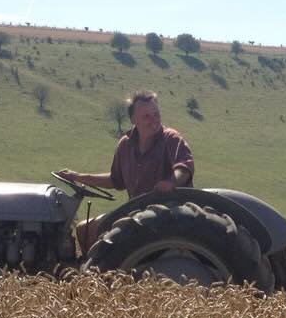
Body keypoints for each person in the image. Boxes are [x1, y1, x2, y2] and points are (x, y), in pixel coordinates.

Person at [58, 90, 194, 252]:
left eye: (156, 114)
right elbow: (115, 180)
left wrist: (171, 182)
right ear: (133, 120)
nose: (154, 120)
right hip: (135, 211)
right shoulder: (125, 145)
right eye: (147, 117)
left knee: (106, 237)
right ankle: (91, 267)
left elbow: (184, 167)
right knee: (83, 229)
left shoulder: (171, 139)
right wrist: (78, 177)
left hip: (166, 214)